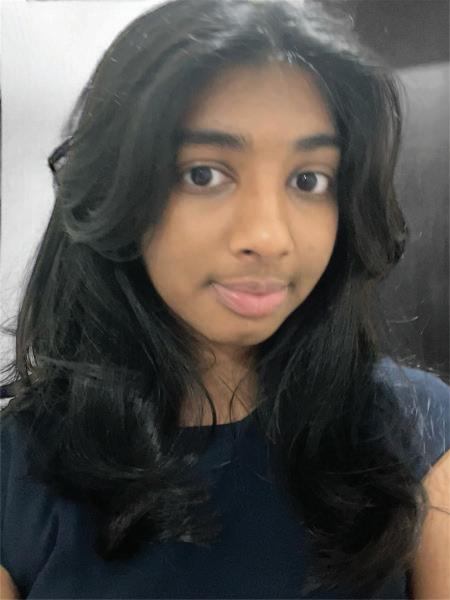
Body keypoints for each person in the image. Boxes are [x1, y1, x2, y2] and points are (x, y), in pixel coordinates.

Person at [1, 0, 449, 598]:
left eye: (309, 180)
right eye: (204, 174)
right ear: (116, 188)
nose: (269, 237)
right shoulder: (16, 468)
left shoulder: (418, 435)